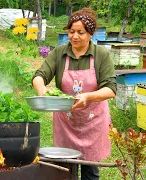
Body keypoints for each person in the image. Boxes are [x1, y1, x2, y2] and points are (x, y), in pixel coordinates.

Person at [32, 7, 116, 180]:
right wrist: (41, 89)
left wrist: (88, 96)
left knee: (90, 170)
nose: (74, 36)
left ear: (91, 34)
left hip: (93, 120)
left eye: (81, 32)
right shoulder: (59, 53)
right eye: (71, 31)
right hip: (67, 121)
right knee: (65, 169)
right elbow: (40, 76)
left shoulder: (101, 55)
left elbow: (110, 89)